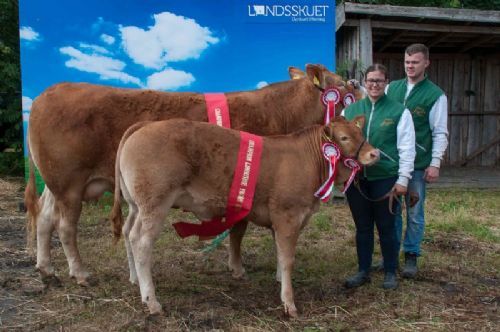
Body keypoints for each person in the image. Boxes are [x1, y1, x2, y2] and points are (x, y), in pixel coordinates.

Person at [342, 64, 416, 289]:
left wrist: (403, 180)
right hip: (356, 179)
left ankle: (390, 271)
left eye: (379, 81)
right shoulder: (350, 112)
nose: (374, 84)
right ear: (364, 82)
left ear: (386, 84)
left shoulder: (399, 111)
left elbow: (407, 148)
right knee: (362, 227)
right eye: (371, 80)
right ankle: (363, 270)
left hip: (385, 178)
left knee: (386, 227)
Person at [386, 44, 448, 278]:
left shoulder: (436, 95)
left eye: (415, 62)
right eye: (407, 62)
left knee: (414, 210)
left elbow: (440, 132)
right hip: (392, 162)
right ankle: (390, 255)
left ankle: (411, 254)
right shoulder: (392, 88)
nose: (410, 66)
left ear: (426, 63)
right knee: (391, 210)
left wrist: (435, 162)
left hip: (419, 163)